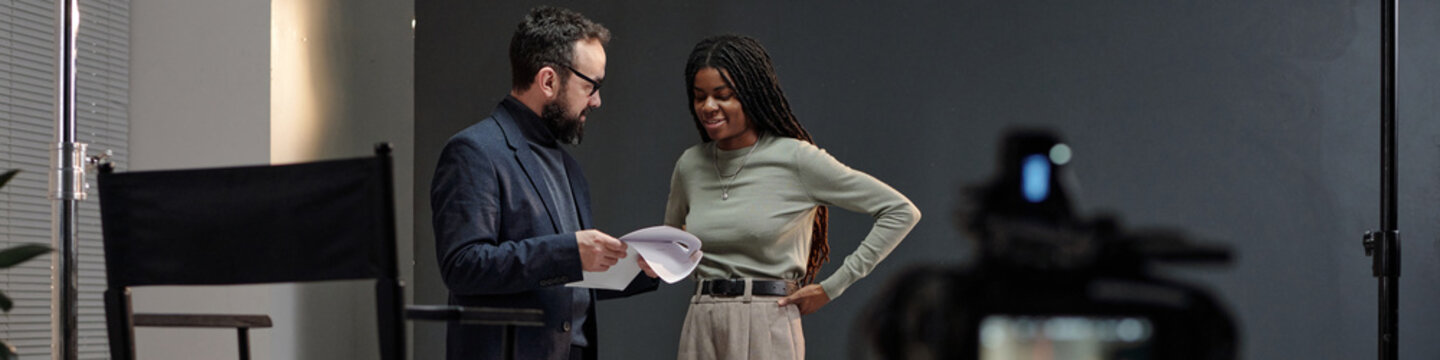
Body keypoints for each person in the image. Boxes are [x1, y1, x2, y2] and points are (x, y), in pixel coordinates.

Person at [659, 34, 922, 359]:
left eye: (722, 96)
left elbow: (899, 211)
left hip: (766, 318)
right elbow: (669, 244)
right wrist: (648, 259)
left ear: (752, 95)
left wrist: (833, 286)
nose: (708, 107)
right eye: (699, 97)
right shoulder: (690, 164)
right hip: (701, 317)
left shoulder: (795, 158)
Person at [431, 6, 655, 360]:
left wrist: (641, 267)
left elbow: (566, 278)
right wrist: (570, 252)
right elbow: (463, 266)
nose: (597, 100)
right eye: (591, 86)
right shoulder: (474, 151)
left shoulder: (569, 166)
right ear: (548, 81)